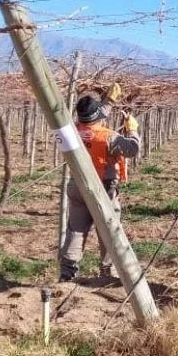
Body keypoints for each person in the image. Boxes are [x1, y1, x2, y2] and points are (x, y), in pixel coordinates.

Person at [59, 85, 140, 282]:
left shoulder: (70, 131)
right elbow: (132, 149)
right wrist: (133, 129)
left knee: (76, 229)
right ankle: (107, 271)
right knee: (109, 230)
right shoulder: (109, 137)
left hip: (77, 187)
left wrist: (110, 101)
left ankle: (67, 273)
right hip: (103, 190)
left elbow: (95, 117)